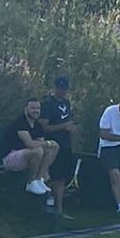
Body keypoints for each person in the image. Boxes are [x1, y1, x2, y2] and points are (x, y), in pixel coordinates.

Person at [0, 97, 58, 197]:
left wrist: (50, 145)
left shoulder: (37, 125)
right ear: (26, 109)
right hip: (10, 156)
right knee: (38, 150)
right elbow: (30, 143)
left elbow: (42, 144)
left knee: (53, 148)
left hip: (26, 156)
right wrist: (49, 143)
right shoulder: (20, 122)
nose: (36, 111)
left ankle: (39, 178)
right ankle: (31, 182)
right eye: (33, 108)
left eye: (38, 108)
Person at [37, 74, 79, 218]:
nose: (62, 91)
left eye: (65, 88)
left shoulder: (66, 103)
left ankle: (59, 209)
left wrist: (71, 129)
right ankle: (49, 208)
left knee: (61, 178)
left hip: (66, 145)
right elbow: (43, 126)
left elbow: (68, 121)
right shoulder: (48, 103)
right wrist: (63, 126)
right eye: (60, 88)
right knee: (52, 176)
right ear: (55, 88)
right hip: (53, 145)